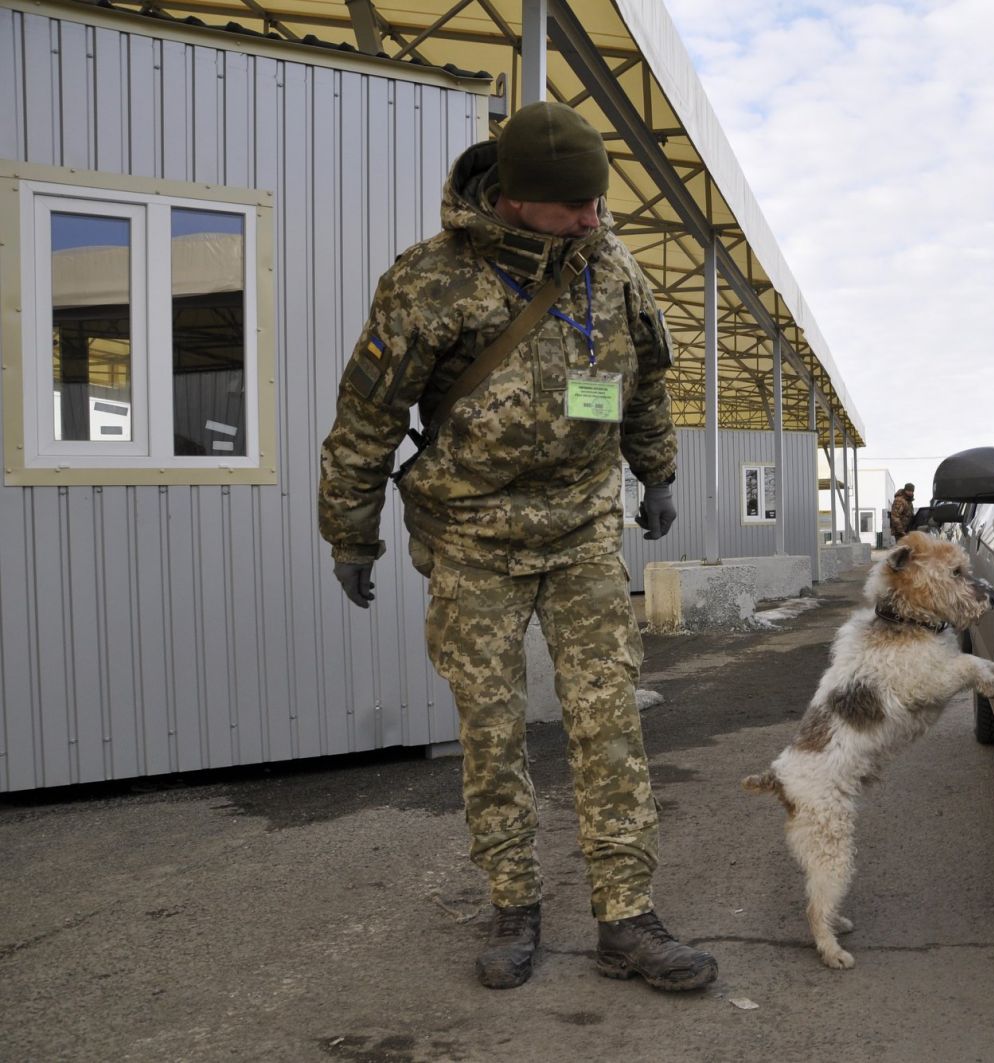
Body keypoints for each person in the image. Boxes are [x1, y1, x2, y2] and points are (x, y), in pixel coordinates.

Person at [318, 101, 716, 994]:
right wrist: (351, 532)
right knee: (492, 729)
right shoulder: (428, 281)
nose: (594, 217)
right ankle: (514, 902)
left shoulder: (609, 269)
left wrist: (657, 477)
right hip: (472, 537)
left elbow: (646, 380)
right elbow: (368, 417)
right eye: (575, 204)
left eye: (597, 200)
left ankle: (626, 917)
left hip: (579, 530)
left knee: (608, 717)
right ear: (516, 201)